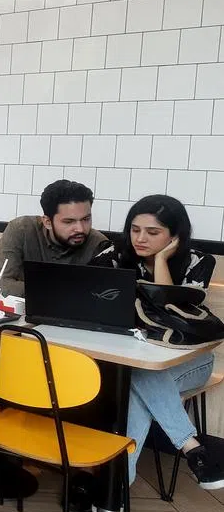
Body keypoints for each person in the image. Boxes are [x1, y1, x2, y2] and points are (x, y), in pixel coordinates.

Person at [92, 195, 224, 489]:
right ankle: (192, 450)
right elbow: (93, 299)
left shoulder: (198, 262)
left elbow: (168, 311)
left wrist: (161, 259)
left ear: (175, 236)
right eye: (135, 229)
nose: (140, 238)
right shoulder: (113, 255)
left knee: (138, 375)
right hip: (131, 360)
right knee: (137, 379)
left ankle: (112, 493)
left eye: (152, 233)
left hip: (189, 360)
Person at [0, 179, 109, 296]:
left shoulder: (100, 245)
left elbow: (102, 295)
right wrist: (56, 291)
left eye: (86, 219)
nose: (80, 229)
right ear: (47, 222)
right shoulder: (21, 230)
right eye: (69, 222)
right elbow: (0, 283)